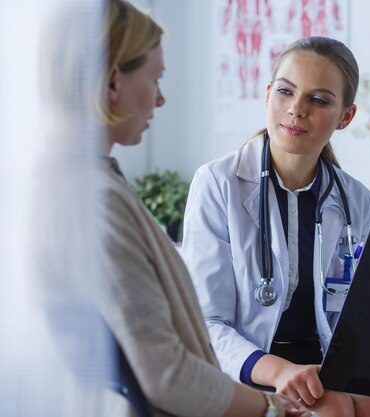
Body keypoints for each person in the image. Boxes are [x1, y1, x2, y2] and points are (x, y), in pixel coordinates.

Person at [181, 36, 370, 417]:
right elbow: (206, 323)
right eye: (286, 91)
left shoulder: (355, 200)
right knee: (332, 409)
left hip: (325, 366)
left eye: (319, 100)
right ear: (267, 95)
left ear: (345, 117)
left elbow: (361, 317)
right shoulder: (218, 183)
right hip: (246, 366)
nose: (296, 109)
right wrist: (280, 371)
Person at [95, 1, 312, 416]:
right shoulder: (98, 201)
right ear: (111, 83)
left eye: (319, 99)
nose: (160, 99)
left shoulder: (105, 186)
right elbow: (167, 371)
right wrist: (269, 408)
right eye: (155, 78)